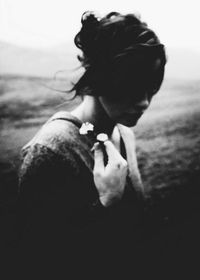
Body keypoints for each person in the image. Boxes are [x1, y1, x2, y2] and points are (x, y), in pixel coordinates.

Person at [16, 11, 166, 273]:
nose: (144, 102)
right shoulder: (50, 150)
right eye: (131, 85)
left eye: (151, 86)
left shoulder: (124, 133)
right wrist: (106, 203)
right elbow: (34, 258)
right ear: (98, 77)